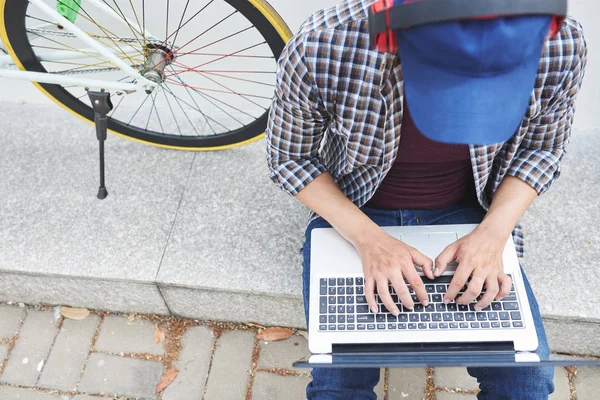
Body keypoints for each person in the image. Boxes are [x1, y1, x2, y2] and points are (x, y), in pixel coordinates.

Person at [266, 0, 587, 398]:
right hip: (358, 208)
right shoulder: (324, 43)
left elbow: (541, 151)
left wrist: (493, 235)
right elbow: (290, 158)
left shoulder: (559, 43)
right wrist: (370, 240)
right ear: (392, 39)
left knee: (527, 383)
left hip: (474, 212)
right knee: (338, 387)